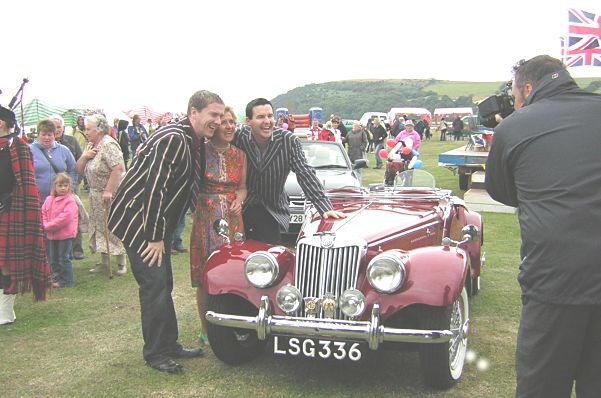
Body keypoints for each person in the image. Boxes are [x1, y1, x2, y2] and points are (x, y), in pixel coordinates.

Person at [485, 55, 601, 397]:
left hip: (554, 281)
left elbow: (505, 192)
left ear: (529, 87)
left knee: (543, 386)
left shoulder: (514, 126)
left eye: (517, 97)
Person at [108, 90, 225, 374]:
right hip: (140, 222)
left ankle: (169, 344)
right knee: (155, 287)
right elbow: (155, 189)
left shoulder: (194, 139)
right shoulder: (174, 137)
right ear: (193, 113)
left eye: (221, 116)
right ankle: (156, 353)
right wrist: (156, 236)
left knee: (164, 284)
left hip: (151, 222)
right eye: (213, 115)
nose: (218, 121)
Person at [233, 98, 345, 245]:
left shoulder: (288, 141)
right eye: (260, 117)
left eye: (270, 115)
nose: (267, 121)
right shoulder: (239, 138)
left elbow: (304, 172)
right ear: (249, 121)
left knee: (269, 258)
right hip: (242, 209)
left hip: (271, 210)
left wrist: (324, 206)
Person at [190, 106, 246, 342]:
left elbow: (243, 187)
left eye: (232, 122)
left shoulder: (240, 155)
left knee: (237, 272)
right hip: (206, 218)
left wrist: (240, 200)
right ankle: (206, 328)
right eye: (224, 122)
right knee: (206, 275)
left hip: (234, 220)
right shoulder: (200, 151)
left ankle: (237, 323)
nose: (229, 126)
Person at [0, 105, 50, 325]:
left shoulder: (18, 147)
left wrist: (10, 197)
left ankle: (5, 311)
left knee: (7, 261)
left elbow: (26, 184)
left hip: (12, 211)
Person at [76, 114, 127, 276]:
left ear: (99, 130)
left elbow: (118, 168)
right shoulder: (90, 145)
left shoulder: (109, 144)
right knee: (99, 227)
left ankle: (121, 263)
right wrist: (84, 157)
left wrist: (109, 191)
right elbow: (79, 170)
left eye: (88, 129)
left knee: (112, 226)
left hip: (110, 194)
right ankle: (104, 262)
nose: (86, 131)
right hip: (95, 194)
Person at [49, 115, 85, 260]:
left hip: (70, 186)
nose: (56, 130)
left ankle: (77, 248)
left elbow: (80, 164)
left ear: (63, 128)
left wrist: (74, 184)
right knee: (55, 217)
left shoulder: (72, 141)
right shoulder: (43, 145)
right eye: (53, 127)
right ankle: (60, 249)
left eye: (58, 127)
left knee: (73, 216)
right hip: (52, 189)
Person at [41, 173, 78, 288]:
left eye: (65, 185)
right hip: (51, 235)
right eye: (60, 185)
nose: (63, 188)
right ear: (54, 186)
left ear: (69, 187)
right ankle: (56, 278)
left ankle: (67, 281)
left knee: (63, 258)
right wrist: (45, 223)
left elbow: (64, 218)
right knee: (53, 258)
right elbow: (43, 212)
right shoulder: (48, 200)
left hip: (65, 235)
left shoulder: (70, 201)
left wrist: (48, 225)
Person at [30, 120, 78, 205]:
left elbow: (73, 170)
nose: (47, 138)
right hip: (36, 201)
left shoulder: (64, 150)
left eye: (49, 135)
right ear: (38, 135)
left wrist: (70, 188)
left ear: (54, 135)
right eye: (43, 135)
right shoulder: (29, 150)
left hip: (60, 201)